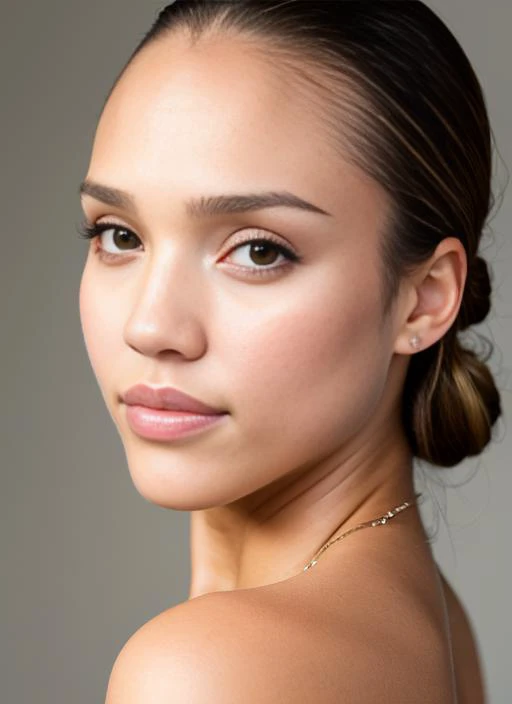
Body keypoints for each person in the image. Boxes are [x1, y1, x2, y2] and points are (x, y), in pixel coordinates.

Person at [77, 1, 503, 701]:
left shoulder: (209, 672)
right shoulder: (430, 623)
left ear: (424, 298)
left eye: (258, 250)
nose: (150, 327)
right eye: (119, 235)